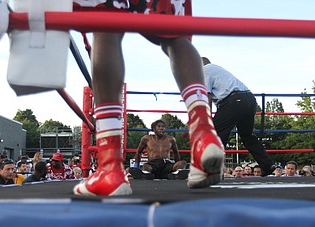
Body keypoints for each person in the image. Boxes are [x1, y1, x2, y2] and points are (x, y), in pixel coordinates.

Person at [73, 0, 225, 196]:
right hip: (151, 165)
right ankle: (203, 132)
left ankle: (109, 167)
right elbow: (137, 154)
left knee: (105, 23)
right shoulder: (146, 138)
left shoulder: (170, 139)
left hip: (167, 164)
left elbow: (177, 155)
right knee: (174, 33)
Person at [202, 57, 275, 177]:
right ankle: (267, 165)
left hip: (234, 100)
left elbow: (207, 96)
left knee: (215, 133)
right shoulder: (218, 69)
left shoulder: (203, 71)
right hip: (249, 99)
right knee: (247, 136)